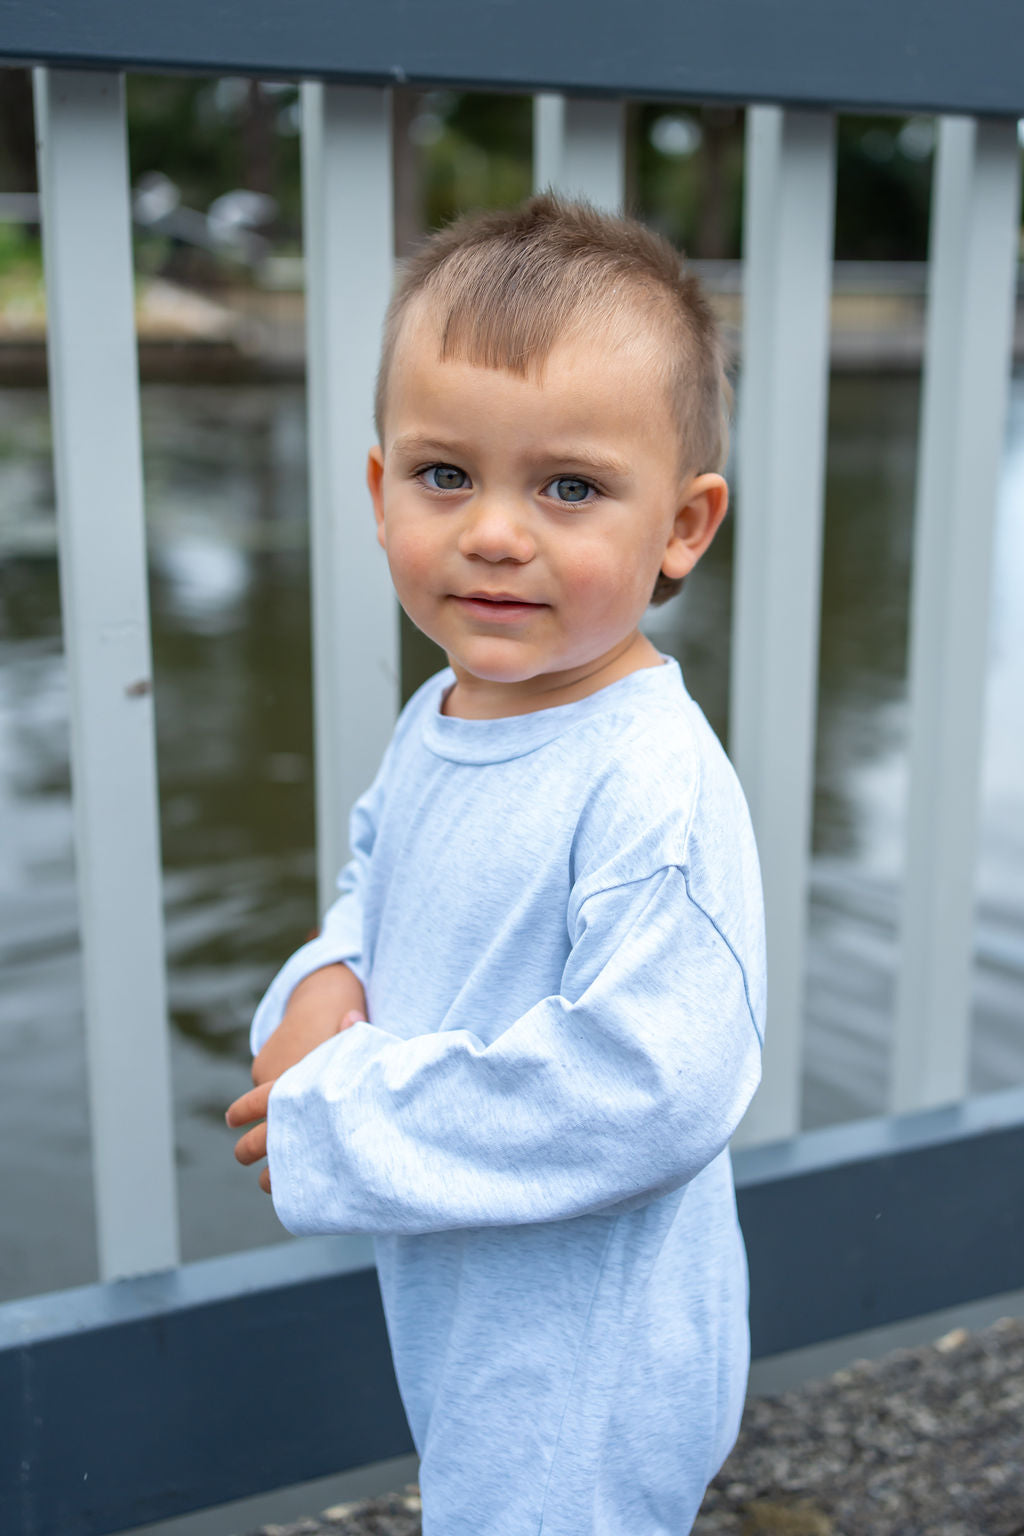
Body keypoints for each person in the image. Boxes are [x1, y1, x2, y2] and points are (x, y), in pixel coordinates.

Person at [226, 194, 766, 1535]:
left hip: (590, 1341)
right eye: (446, 475)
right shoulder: (450, 710)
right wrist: (330, 972)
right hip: (477, 1283)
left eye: (570, 487)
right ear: (379, 489)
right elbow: (379, 870)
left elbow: (658, 1085)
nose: (496, 533)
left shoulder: (651, 778)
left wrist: (344, 1118)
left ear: (683, 527)